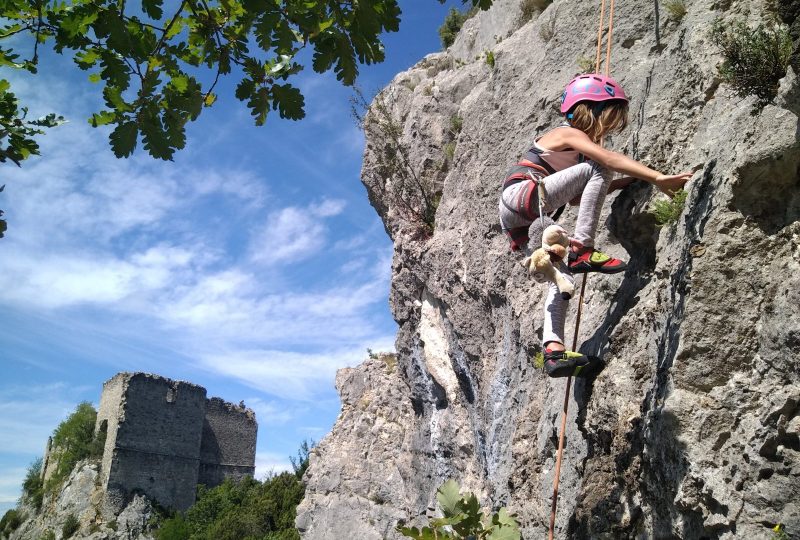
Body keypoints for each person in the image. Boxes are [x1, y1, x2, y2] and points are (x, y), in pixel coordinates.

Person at [498, 73, 692, 378]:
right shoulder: (567, 133)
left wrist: (627, 182)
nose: (609, 128)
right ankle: (583, 249)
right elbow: (606, 160)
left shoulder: (571, 150)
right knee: (598, 165)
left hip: (521, 216)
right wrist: (657, 177)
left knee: (559, 278)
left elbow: (575, 197)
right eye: (609, 118)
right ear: (591, 109)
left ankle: (554, 351)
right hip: (522, 197)